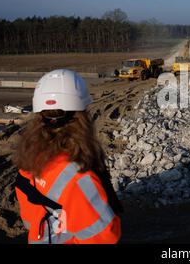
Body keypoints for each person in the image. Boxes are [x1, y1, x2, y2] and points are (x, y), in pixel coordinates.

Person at [13, 69, 122, 244]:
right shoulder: (77, 176)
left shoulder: (30, 156)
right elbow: (104, 236)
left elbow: (29, 215)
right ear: (82, 116)